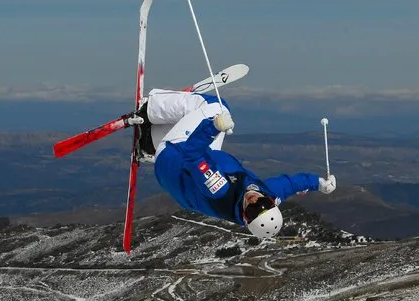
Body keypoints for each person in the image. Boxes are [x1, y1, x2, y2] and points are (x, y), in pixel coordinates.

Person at [133, 88, 337, 239]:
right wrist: (319, 183)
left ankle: (149, 108)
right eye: (263, 204)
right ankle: (151, 140)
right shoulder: (265, 193)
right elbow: (292, 184)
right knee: (211, 128)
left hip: (173, 156)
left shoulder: (218, 189)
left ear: (245, 218)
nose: (254, 200)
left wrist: (213, 127)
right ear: (272, 202)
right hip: (189, 167)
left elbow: (192, 155)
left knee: (217, 107)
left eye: (251, 210)